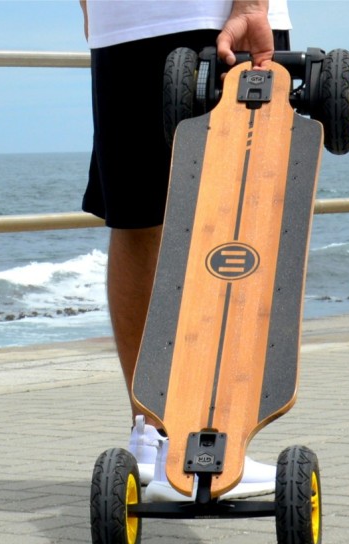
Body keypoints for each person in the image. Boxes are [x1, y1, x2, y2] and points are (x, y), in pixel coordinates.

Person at [80, 0, 292, 500]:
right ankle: (214, 441)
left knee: (140, 220)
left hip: (128, 23)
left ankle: (156, 437)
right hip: (211, 18)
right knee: (238, 218)